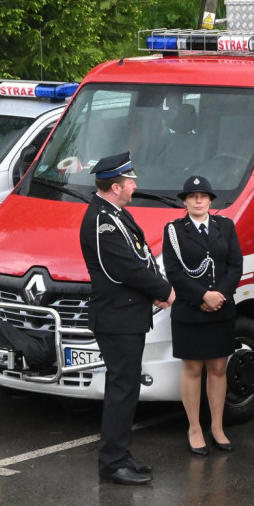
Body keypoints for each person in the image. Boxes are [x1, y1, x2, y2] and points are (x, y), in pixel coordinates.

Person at [79, 152, 175, 486]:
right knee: (121, 389)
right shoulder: (102, 221)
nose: (135, 185)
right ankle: (112, 462)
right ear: (117, 186)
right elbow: (125, 268)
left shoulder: (117, 214)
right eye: (130, 180)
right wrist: (163, 289)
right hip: (116, 319)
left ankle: (121, 453)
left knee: (128, 387)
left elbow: (143, 256)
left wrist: (155, 291)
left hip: (128, 316)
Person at [162, 175, 242, 455]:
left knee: (218, 369)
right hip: (190, 311)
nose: (198, 200)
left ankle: (217, 427)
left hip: (221, 309)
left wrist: (218, 296)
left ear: (210, 200)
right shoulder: (173, 230)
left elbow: (235, 266)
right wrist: (201, 297)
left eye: (203, 196)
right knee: (193, 369)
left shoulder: (226, 226)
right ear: (184, 201)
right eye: (192, 196)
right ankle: (194, 427)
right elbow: (173, 271)